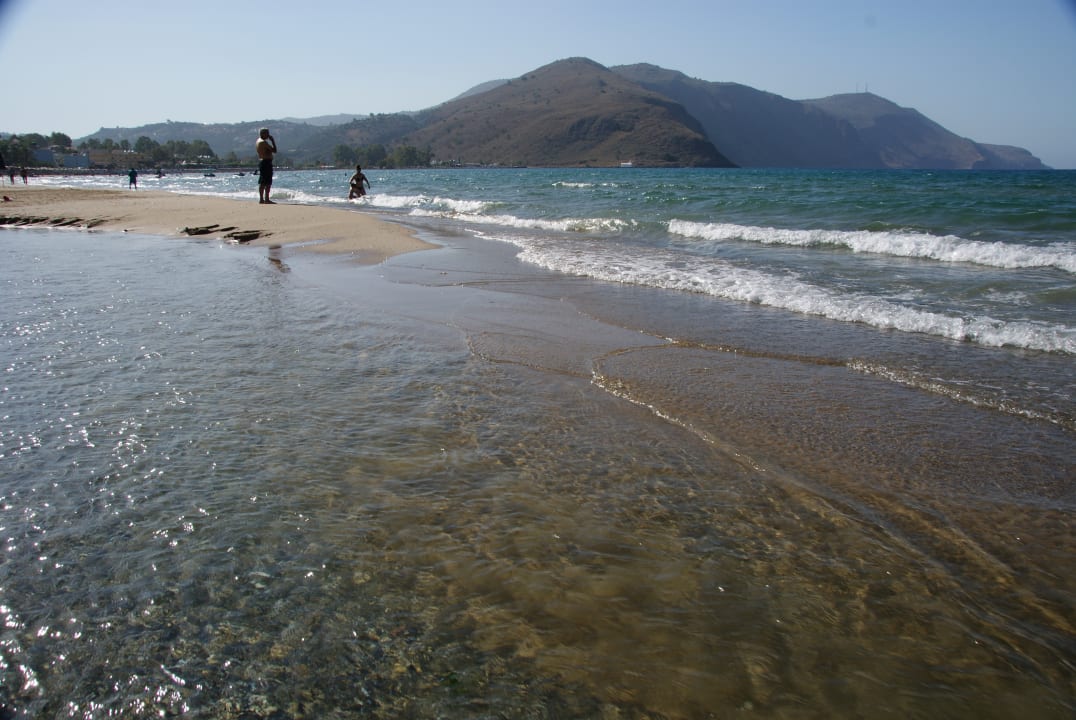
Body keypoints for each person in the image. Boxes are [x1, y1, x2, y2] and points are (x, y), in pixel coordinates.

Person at [255, 128, 277, 204]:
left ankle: (262, 199)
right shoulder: (263, 142)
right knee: (267, 182)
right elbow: (274, 150)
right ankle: (266, 199)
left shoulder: (258, 141)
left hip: (262, 162)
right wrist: (273, 141)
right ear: (263, 134)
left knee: (263, 181)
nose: (268, 135)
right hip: (266, 162)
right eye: (267, 133)